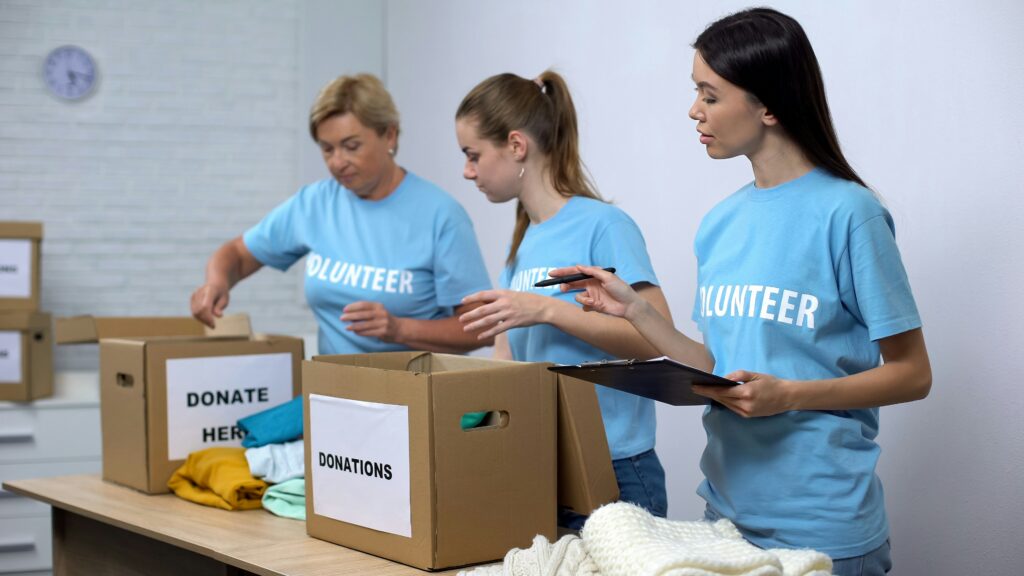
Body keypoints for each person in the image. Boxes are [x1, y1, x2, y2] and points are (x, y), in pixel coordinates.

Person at [555, 8, 931, 575]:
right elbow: (719, 366)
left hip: (826, 529)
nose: (693, 110)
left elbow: (912, 373)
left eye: (709, 94)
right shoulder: (719, 223)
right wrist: (635, 311)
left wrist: (790, 395)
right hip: (726, 520)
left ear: (769, 105)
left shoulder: (850, 214)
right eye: (695, 92)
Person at [454, 70, 674, 529]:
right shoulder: (522, 245)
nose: (467, 171)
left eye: (473, 155)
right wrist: (459, 427)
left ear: (516, 146)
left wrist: (548, 310)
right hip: (545, 465)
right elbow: (505, 363)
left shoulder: (604, 226)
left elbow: (660, 341)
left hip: (616, 468)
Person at [191, 74, 493, 355]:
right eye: (327, 149)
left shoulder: (441, 216)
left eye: (351, 146)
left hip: (412, 394)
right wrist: (217, 283)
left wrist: (400, 329)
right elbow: (238, 255)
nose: (338, 162)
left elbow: (483, 330)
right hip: (333, 390)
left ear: (389, 136)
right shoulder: (314, 204)